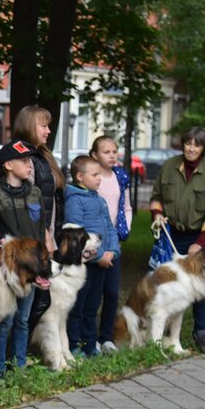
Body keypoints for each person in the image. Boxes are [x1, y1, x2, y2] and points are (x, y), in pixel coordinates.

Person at [150, 127, 205, 353]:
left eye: (196, 144)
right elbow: (156, 197)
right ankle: (163, 334)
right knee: (168, 285)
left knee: (200, 287)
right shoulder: (170, 166)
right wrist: (157, 215)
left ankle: (201, 334)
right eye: (188, 143)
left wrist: (200, 243)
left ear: (203, 148)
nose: (191, 148)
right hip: (171, 235)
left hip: (200, 237)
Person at [0, 140, 46, 378]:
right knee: (5, 320)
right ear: (8, 165)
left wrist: (42, 258)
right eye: (24, 161)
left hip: (31, 268)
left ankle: (18, 366)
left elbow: (40, 228)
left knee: (23, 319)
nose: (29, 165)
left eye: (30, 160)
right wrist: (1, 242)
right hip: (8, 271)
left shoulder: (35, 193)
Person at [13, 106, 65, 330]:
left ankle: (22, 353)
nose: (48, 131)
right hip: (32, 239)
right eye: (43, 125)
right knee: (22, 306)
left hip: (47, 234)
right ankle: (9, 358)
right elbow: (28, 202)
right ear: (29, 126)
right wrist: (45, 234)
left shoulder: (44, 155)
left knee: (39, 300)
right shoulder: (23, 158)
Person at [65, 155, 120, 358]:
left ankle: (90, 344)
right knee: (78, 307)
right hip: (85, 264)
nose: (99, 178)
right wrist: (98, 257)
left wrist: (112, 251)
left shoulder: (99, 199)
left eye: (99, 174)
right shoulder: (75, 200)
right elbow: (75, 235)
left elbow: (110, 228)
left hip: (103, 262)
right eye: (95, 174)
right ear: (80, 177)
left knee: (92, 306)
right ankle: (74, 345)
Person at [91, 136, 132, 354]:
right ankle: (88, 338)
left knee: (112, 292)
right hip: (96, 243)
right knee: (93, 293)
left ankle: (105, 336)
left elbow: (126, 207)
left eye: (114, 151)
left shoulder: (120, 177)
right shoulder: (93, 178)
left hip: (114, 242)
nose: (112, 155)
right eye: (106, 152)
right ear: (95, 155)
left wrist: (123, 230)